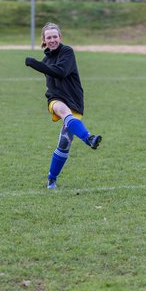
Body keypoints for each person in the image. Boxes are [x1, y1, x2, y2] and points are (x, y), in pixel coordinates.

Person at [25, 23, 102, 189]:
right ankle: (88, 138)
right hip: (55, 98)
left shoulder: (67, 52)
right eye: (49, 37)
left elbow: (60, 72)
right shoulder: (46, 60)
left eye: (55, 36)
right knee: (61, 109)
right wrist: (39, 64)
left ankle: (51, 178)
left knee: (64, 143)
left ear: (60, 37)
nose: (52, 40)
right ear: (44, 40)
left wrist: (34, 64)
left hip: (74, 99)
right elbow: (51, 73)